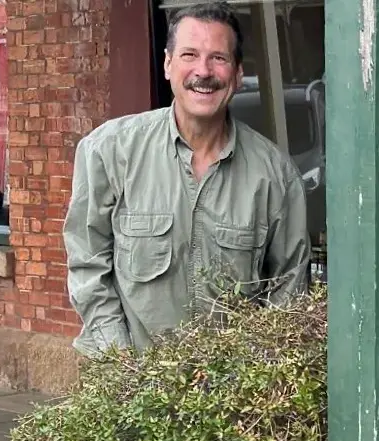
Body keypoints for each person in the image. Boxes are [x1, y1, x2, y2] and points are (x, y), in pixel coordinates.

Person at [63, 2, 309, 357]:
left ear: (238, 74)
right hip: (129, 388)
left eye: (219, 58)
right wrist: (121, 364)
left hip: (229, 398)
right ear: (167, 65)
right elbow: (88, 265)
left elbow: (288, 292)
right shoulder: (108, 152)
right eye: (189, 55)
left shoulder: (276, 176)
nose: (203, 71)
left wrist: (252, 382)